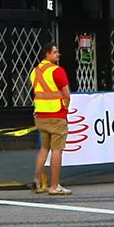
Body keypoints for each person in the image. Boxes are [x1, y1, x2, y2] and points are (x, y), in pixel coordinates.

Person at [31, 43, 71, 196]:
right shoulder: (57, 71)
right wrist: (65, 108)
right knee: (57, 151)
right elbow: (66, 94)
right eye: (55, 52)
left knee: (44, 149)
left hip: (40, 115)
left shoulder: (34, 72)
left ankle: (39, 182)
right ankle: (54, 186)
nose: (58, 54)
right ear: (47, 54)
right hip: (56, 114)